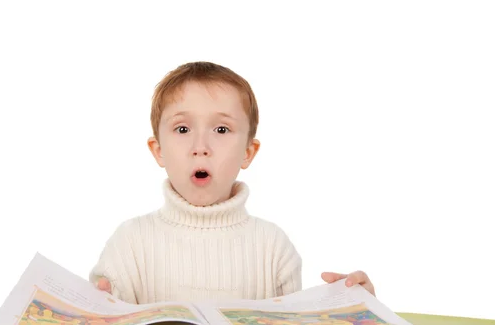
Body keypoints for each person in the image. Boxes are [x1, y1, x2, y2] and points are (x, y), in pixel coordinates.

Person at [89, 62, 375, 304]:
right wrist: (95, 308)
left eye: (221, 129)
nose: (200, 146)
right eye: (183, 129)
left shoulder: (273, 248)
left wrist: (357, 307)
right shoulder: (129, 244)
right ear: (159, 150)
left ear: (248, 153)